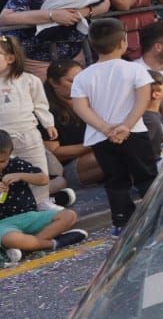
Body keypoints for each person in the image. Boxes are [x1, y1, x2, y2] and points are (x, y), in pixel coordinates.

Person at [69, 19, 157, 233]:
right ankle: (158, 216)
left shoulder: (82, 76)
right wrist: (126, 126)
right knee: (146, 176)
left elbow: (80, 107)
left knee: (115, 180)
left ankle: (121, 222)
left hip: (101, 138)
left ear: (92, 44)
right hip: (133, 132)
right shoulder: (134, 70)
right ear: (123, 42)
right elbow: (143, 100)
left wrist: (106, 128)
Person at [0, 129, 86, 264]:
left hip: (30, 215)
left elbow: (43, 179)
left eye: (2, 161)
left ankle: (28, 247)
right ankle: (53, 243)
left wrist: (21, 175)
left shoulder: (16, 164)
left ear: (10, 154)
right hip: (4, 224)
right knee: (12, 239)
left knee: (69, 215)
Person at [0, 35, 55, 204]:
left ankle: (42, 202)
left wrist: (48, 123)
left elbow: (40, 104)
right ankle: (9, 204)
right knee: (5, 172)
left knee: (37, 167)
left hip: (28, 133)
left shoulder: (29, 80)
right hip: (2, 138)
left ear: (10, 58)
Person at [43, 59, 103, 203]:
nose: (79, 84)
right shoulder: (46, 112)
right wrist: (92, 144)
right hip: (68, 169)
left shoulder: (89, 100)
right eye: (71, 81)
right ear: (54, 82)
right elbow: (55, 152)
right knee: (106, 154)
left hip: (97, 151)